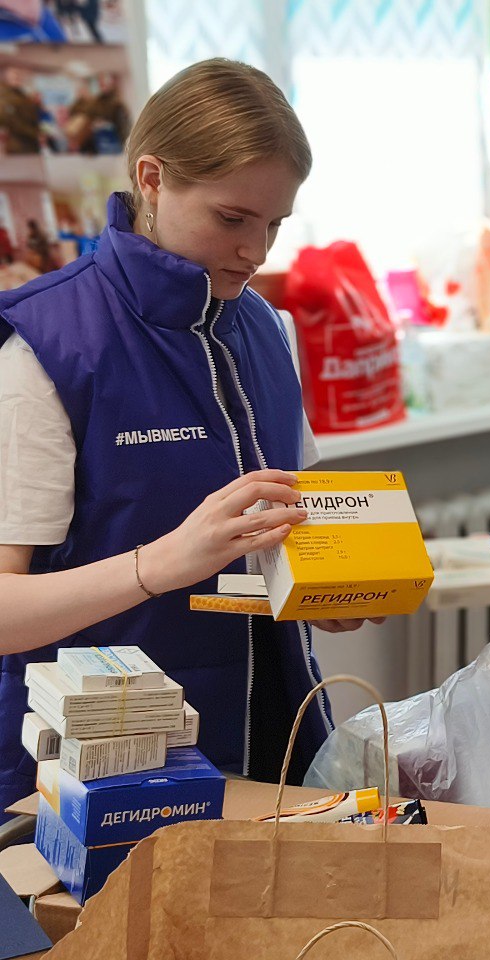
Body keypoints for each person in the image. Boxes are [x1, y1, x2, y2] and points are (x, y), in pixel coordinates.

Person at [0, 59, 353, 813]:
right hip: (96, 775)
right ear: (153, 180)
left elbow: (289, 533)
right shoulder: (46, 348)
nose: (257, 251)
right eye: (233, 219)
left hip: (269, 748)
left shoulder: (268, 329)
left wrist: (326, 586)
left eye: (275, 224)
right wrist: (159, 564)